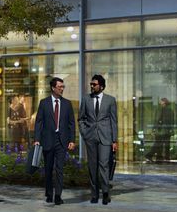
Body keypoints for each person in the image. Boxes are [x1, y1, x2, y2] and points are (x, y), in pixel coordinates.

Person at [33, 76, 77, 205]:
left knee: (59, 169)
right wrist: (37, 139)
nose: (62, 89)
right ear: (53, 88)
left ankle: (58, 195)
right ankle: (49, 194)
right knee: (48, 169)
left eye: (63, 87)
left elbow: (71, 124)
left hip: (61, 141)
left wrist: (72, 140)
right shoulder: (44, 103)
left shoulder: (67, 104)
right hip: (47, 140)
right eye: (59, 87)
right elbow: (39, 122)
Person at [79, 74, 118, 204]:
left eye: (94, 84)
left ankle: (105, 193)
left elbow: (113, 121)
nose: (92, 86)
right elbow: (81, 119)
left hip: (106, 138)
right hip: (90, 137)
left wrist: (114, 140)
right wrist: (84, 133)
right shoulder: (86, 99)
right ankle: (94, 194)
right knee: (92, 166)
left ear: (101, 86)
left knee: (104, 165)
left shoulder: (110, 100)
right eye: (91, 84)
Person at [150, 97, 174, 163]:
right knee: (165, 146)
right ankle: (166, 159)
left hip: (161, 131)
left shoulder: (159, 110)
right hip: (165, 131)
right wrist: (171, 130)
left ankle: (159, 159)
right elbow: (172, 122)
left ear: (164, 102)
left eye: (161, 101)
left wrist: (153, 129)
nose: (160, 102)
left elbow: (156, 121)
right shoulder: (169, 110)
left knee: (159, 145)